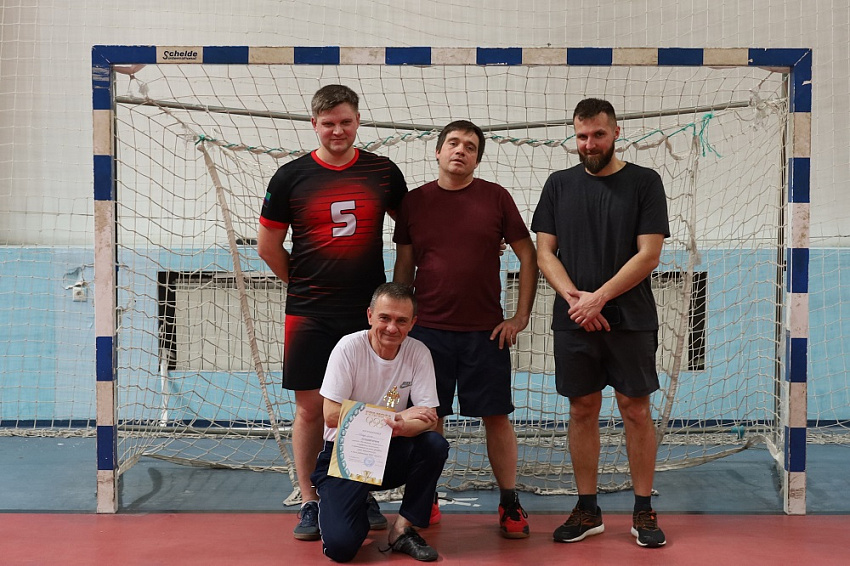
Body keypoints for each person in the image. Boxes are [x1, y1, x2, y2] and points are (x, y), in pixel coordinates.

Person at [257, 85, 407, 541]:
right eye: (328, 124)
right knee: (309, 408)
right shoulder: (290, 176)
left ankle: (357, 491)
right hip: (309, 312)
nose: (337, 131)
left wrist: (398, 291)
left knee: (363, 407)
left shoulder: (383, 171)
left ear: (358, 121)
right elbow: (267, 246)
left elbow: (413, 232)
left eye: (345, 122)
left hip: (367, 313)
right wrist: (305, 285)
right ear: (314, 125)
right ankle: (309, 499)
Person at [531, 98, 670, 548]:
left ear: (616, 133)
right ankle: (587, 509)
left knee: (636, 410)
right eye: (581, 136)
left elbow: (649, 254)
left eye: (598, 135)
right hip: (574, 317)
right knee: (581, 409)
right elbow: (545, 253)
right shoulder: (559, 184)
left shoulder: (645, 182)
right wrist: (576, 299)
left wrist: (600, 298)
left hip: (630, 319)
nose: (589, 144)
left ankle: (643, 507)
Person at [393, 120, 538, 538]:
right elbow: (405, 266)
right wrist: (401, 323)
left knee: (497, 417)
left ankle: (509, 501)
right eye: (453, 143)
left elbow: (529, 257)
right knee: (429, 417)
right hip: (427, 333)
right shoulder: (414, 202)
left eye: (470, 146)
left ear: (477, 158)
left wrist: (520, 316)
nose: (460, 150)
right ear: (438, 152)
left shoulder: (496, 197)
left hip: (485, 334)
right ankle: (426, 498)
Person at [311, 282, 449, 563]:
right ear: (370, 315)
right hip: (345, 455)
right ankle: (356, 506)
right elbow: (332, 415)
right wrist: (398, 417)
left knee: (434, 444)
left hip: (390, 451)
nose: (391, 328)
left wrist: (402, 426)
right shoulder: (348, 348)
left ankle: (402, 530)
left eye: (401, 321)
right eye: (384, 318)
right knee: (341, 548)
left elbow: (428, 418)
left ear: (413, 323)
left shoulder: (418, 352)